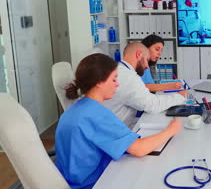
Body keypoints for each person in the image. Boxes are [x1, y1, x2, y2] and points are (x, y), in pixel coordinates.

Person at [55, 53, 182, 189]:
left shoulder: (76, 109)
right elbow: (139, 149)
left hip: (70, 180)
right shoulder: (96, 114)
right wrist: (171, 130)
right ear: (99, 82)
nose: (117, 84)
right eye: (114, 79)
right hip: (91, 183)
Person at [104, 42, 186, 128]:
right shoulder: (128, 77)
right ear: (139, 54)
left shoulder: (121, 70)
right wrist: (180, 96)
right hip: (117, 132)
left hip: (119, 125)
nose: (147, 66)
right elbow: (152, 105)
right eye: (147, 60)